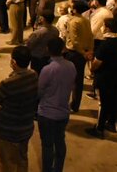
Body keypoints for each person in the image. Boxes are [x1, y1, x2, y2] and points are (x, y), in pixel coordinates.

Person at [0, 46, 38, 172]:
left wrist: (1, 102)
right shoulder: (34, 75)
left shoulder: (8, 83)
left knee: (7, 162)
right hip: (26, 127)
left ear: (13, 62)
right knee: (22, 157)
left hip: (8, 130)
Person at [37, 37, 76, 172]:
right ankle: (58, 168)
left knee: (47, 145)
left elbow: (39, 91)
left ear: (48, 50)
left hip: (47, 113)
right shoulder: (71, 66)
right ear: (63, 48)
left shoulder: (47, 69)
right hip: (63, 111)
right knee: (60, 141)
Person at [85, 18, 117, 139]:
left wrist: (91, 69)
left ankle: (99, 128)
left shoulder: (105, 44)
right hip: (115, 75)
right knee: (111, 100)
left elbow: (97, 63)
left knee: (103, 103)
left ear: (107, 28)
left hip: (104, 77)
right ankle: (111, 123)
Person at [64, 0, 93, 112]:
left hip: (74, 53)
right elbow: (91, 36)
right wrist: (89, 51)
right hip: (84, 52)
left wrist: (83, 52)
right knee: (79, 80)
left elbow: (75, 41)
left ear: (74, 10)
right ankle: (75, 105)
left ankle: (67, 104)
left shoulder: (73, 22)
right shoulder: (86, 20)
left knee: (69, 80)